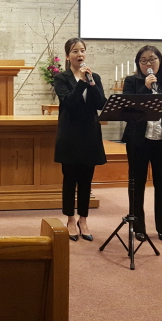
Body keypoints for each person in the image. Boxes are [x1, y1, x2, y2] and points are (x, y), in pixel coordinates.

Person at [121, 46, 162, 242]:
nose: (148, 64)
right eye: (143, 60)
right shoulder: (131, 82)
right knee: (137, 183)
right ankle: (138, 226)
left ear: (160, 61)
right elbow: (127, 108)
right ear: (138, 64)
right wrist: (145, 88)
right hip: (138, 140)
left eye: (152, 59)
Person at [54, 38, 106, 242]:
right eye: (75, 51)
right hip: (70, 135)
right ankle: (70, 219)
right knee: (70, 179)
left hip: (90, 134)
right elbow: (69, 102)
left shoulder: (94, 77)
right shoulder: (61, 78)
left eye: (82, 50)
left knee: (86, 180)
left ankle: (83, 219)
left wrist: (91, 82)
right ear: (68, 56)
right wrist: (82, 83)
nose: (80, 54)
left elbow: (100, 103)